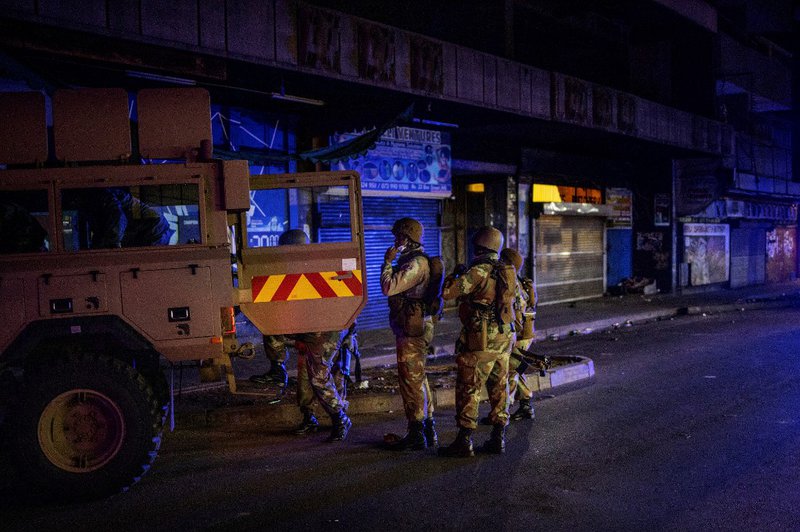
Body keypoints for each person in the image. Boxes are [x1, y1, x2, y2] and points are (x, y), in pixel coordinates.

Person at [270, 229, 352, 441]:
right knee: (307, 378)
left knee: (319, 378)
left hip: (325, 333)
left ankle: (339, 417)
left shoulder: (321, 267)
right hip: (311, 332)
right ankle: (310, 417)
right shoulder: (294, 270)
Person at [439, 226, 515, 457]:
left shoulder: (480, 270)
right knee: (499, 386)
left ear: (479, 246)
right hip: (505, 337)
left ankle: (464, 441)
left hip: (481, 339)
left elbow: (448, 293)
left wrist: (456, 273)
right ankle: (497, 438)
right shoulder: (507, 270)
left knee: (469, 386)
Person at [380, 217, 438, 451]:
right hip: (415, 325)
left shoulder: (415, 263)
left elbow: (388, 287)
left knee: (411, 380)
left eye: (399, 237)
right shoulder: (413, 260)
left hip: (412, 329)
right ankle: (427, 428)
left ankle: (417, 433)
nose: (395, 241)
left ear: (407, 238)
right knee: (419, 378)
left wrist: (387, 262)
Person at [484, 248, 537, 423]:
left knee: (510, 372)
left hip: (520, 335)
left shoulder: (513, 283)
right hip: (524, 333)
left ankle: (506, 411)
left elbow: (515, 312)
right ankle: (523, 406)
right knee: (513, 370)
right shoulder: (519, 281)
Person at [84, 187, 170, 248]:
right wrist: (114, 242)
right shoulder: (156, 222)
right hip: (102, 199)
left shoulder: (150, 236)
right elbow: (116, 211)